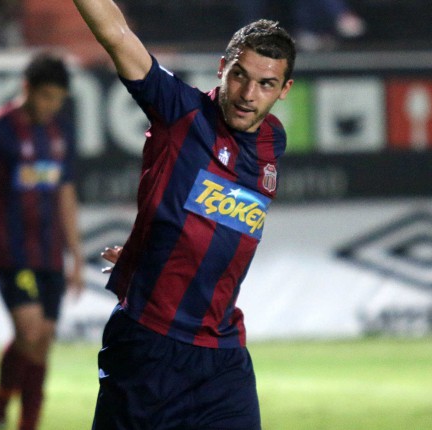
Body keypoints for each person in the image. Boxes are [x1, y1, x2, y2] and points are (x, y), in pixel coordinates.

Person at [73, 0, 295, 428]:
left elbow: (210, 222)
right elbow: (117, 35)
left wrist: (148, 253)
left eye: (266, 84)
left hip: (222, 355)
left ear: (284, 90)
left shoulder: (273, 142)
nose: (248, 95)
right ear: (222, 68)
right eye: (240, 76)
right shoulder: (181, 111)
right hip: (149, 346)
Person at [0, 52, 84, 430]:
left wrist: (77, 257)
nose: (51, 106)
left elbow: (65, 195)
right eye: (46, 96)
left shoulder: (61, 133)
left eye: (58, 99)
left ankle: (2, 415)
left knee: (40, 341)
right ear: (26, 88)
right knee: (31, 333)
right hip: (10, 253)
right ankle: (20, 421)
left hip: (50, 253)